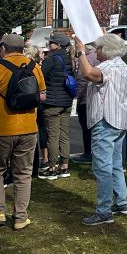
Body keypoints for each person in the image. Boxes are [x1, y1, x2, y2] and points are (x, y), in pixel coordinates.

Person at [0, 33, 46, 232]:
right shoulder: (35, 67)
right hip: (28, 128)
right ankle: (20, 217)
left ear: (3, 48)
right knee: (23, 173)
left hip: (1, 128)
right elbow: (42, 96)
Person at [75, 33, 127, 225]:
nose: (95, 51)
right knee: (115, 164)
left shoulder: (107, 66)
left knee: (103, 167)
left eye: (98, 48)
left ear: (106, 50)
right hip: (120, 119)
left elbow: (89, 74)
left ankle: (104, 211)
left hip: (105, 120)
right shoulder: (122, 64)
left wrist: (80, 52)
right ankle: (121, 202)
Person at [39, 33, 73, 181]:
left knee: (52, 135)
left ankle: (52, 167)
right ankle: (64, 165)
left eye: (51, 42)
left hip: (52, 101)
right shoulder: (69, 58)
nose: (49, 44)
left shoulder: (51, 59)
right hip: (66, 100)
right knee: (64, 134)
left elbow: (41, 76)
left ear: (58, 45)